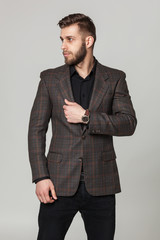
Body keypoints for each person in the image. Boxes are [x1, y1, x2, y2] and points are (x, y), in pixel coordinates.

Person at [28, 13, 137, 240]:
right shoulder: (50, 79)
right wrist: (40, 177)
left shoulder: (114, 78)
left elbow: (128, 123)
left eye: (70, 39)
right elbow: (36, 130)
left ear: (88, 41)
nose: (63, 46)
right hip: (57, 183)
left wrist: (87, 116)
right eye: (61, 40)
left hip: (102, 183)